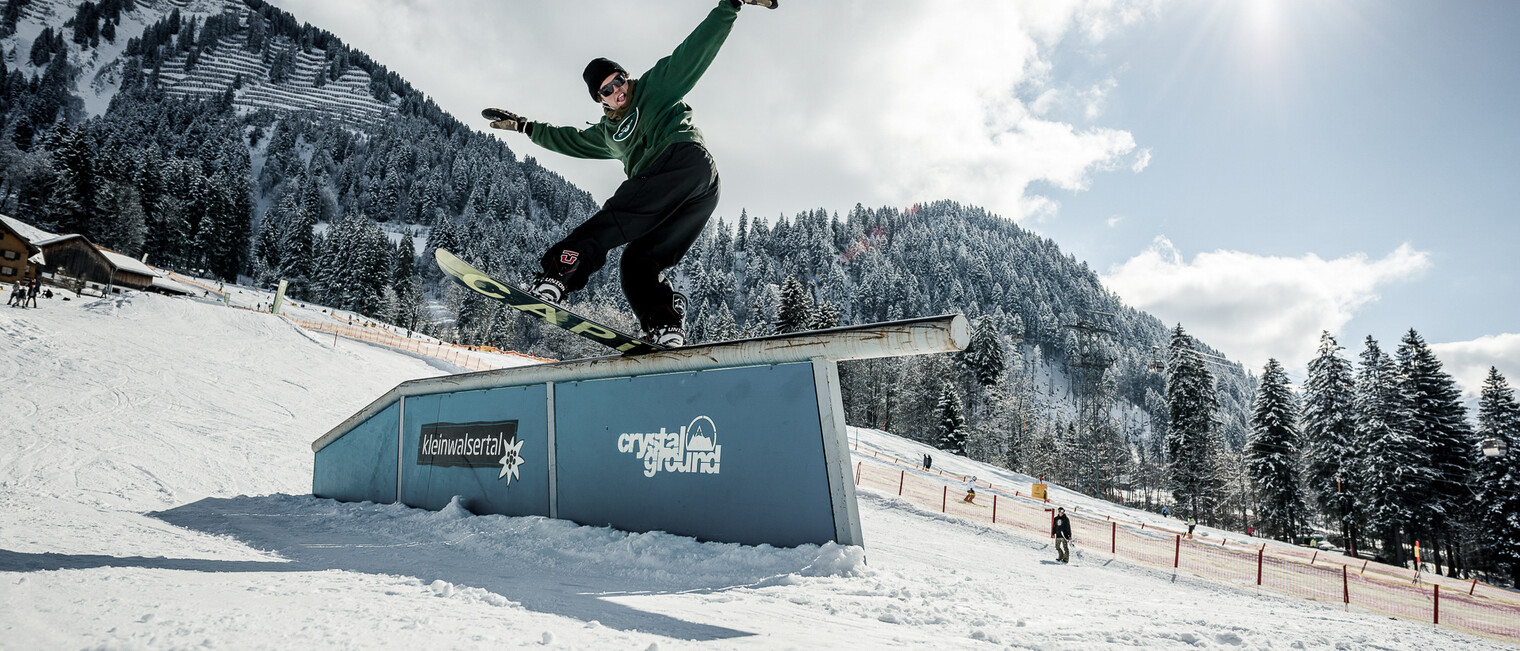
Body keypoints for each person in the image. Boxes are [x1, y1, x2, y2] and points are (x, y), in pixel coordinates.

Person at [483, 0, 778, 347]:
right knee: (639, 260)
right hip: (696, 194)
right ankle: (664, 321)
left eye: (619, 80)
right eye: (607, 89)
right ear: (599, 99)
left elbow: (694, 50)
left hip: (682, 160)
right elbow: (569, 139)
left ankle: (559, 273)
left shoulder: (656, 87)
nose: (618, 90)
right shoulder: (606, 135)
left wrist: (730, 5)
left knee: (613, 219)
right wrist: (526, 127)